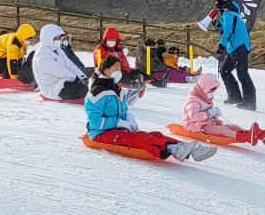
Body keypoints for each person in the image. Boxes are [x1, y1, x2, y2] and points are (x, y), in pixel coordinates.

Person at [84, 53, 214, 162]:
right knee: (137, 139)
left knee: (153, 134)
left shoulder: (117, 90)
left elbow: (122, 112)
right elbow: (95, 122)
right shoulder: (96, 93)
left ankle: (190, 149)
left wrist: (128, 118)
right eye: (116, 70)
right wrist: (119, 122)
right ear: (106, 71)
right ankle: (175, 149)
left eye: (120, 70)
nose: (119, 73)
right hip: (100, 133)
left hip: (117, 130)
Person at [183, 71, 265, 145]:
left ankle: (261, 135)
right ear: (204, 88)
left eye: (214, 90)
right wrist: (209, 113)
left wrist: (214, 113)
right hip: (197, 127)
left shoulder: (205, 96)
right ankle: (245, 137)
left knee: (233, 127)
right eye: (211, 89)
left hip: (207, 124)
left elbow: (206, 111)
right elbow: (194, 117)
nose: (213, 92)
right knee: (222, 130)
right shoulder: (192, 99)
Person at [213, 0, 256, 110]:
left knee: (242, 74)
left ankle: (250, 102)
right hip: (234, 47)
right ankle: (235, 96)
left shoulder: (228, 14)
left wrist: (221, 46)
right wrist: (218, 26)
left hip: (239, 47)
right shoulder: (230, 13)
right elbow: (226, 29)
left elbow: (228, 32)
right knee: (224, 70)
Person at [34, 23, 89, 101]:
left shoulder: (58, 50)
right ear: (48, 38)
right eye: (56, 38)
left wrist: (82, 77)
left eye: (60, 38)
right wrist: (75, 78)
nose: (59, 40)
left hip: (63, 83)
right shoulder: (42, 54)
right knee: (82, 89)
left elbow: (70, 65)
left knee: (89, 85)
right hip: (53, 89)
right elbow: (58, 70)